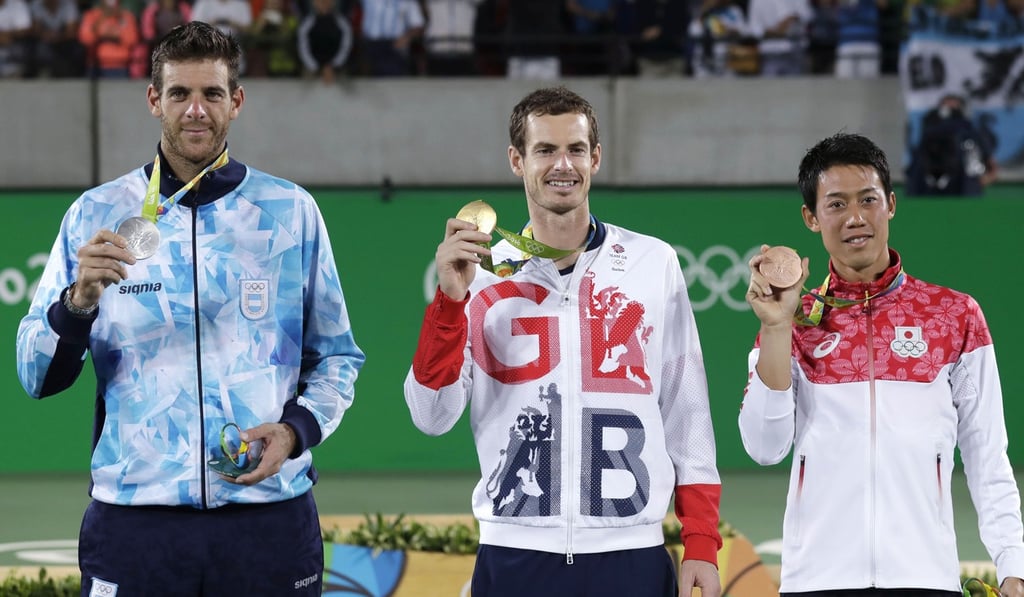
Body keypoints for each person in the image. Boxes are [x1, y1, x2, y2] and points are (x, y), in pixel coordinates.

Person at [16, 21, 364, 597]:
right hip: (136, 520)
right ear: (155, 100)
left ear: (237, 102)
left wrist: (296, 431)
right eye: (180, 93)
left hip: (267, 519)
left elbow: (337, 358)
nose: (196, 110)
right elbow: (36, 376)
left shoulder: (289, 212)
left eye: (212, 94)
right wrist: (75, 306)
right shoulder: (96, 214)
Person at [403, 86, 723, 597]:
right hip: (514, 553)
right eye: (544, 150)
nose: (562, 165)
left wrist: (702, 542)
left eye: (575, 149)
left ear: (595, 158)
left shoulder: (653, 262)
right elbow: (431, 415)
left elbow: (687, 414)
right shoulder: (479, 276)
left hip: (631, 553)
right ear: (517, 160)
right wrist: (448, 302)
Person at [739, 132, 1024, 596]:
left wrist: (1013, 563)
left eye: (868, 199)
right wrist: (776, 328)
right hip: (817, 582)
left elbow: (987, 454)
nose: (855, 217)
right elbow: (764, 446)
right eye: (835, 205)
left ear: (890, 204)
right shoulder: (792, 320)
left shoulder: (954, 315)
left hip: (924, 578)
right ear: (811, 217)